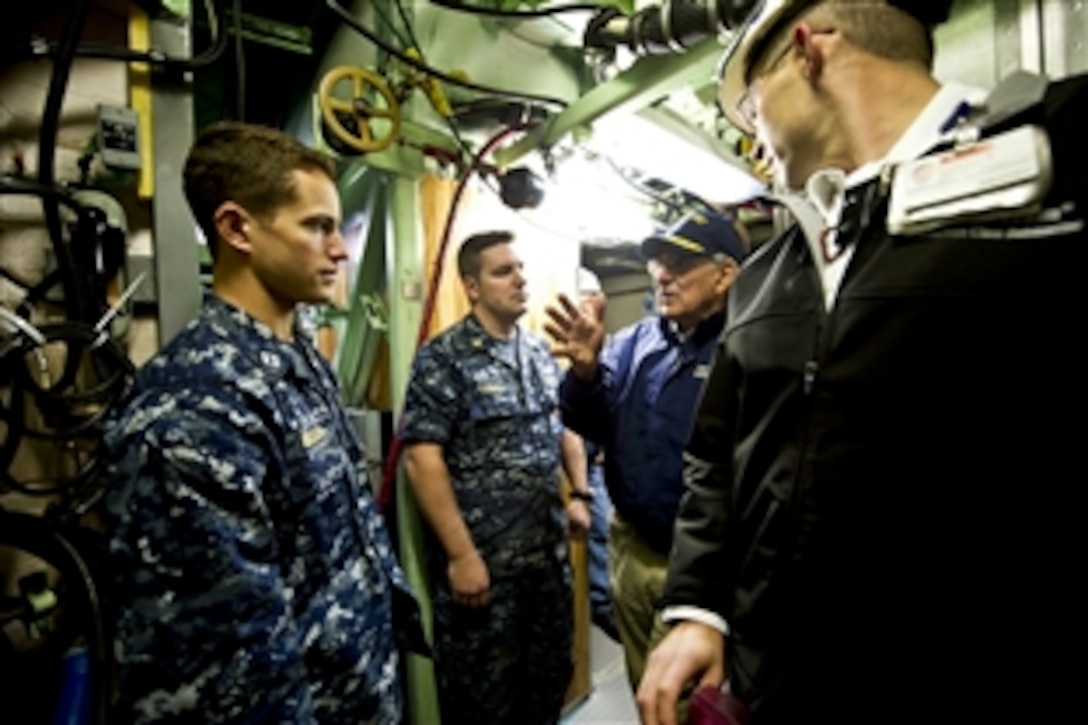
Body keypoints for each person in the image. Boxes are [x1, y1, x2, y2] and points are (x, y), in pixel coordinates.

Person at [637, 2, 1087, 724]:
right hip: (778, 682)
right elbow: (716, 456)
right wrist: (700, 606)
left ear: (810, 52)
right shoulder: (768, 272)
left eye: (753, 108)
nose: (755, 140)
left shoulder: (1063, 156)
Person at [101, 121, 425, 724]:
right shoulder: (194, 410)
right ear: (235, 228)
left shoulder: (297, 359)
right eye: (317, 226)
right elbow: (230, 676)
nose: (339, 249)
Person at [545, 211, 748, 696]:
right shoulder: (633, 343)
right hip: (632, 550)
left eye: (679, 262)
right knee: (647, 690)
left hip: (708, 566)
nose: (661, 273)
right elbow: (589, 426)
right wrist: (586, 376)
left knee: (688, 702)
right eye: (658, 260)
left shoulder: (750, 345)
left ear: (725, 274)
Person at [400, 231, 591, 725]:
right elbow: (422, 459)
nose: (520, 279)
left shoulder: (538, 353)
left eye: (520, 268)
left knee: (547, 689)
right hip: (485, 578)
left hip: (545, 570)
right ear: (473, 286)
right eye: (503, 271)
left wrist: (581, 493)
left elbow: (566, 426)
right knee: (482, 703)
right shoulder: (444, 359)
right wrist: (462, 556)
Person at [575, 267, 618, 640]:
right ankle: (605, 609)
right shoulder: (562, 346)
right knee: (601, 539)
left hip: (601, 465)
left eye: (593, 294)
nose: (587, 302)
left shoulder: (614, 345)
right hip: (582, 468)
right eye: (582, 293)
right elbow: (569, 428)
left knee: (609, 537)